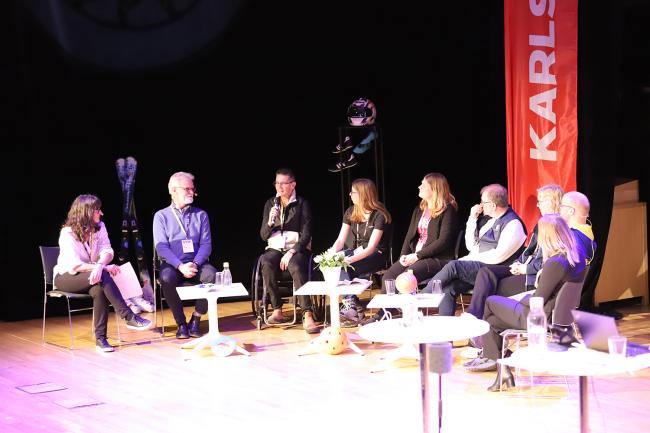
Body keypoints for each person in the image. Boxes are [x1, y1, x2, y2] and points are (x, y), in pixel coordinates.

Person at [463, 213, 587, 391]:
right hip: (557, 316)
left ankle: (497, 362)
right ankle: (502, 371)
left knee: (490, 302)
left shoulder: (555, 262)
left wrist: (521, 299)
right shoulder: (576, 257)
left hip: (538, 318)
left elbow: (538, 299)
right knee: (492, 322)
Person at [53, 194, 152, 353]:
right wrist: (102, 268)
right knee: (103, 276)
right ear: (85, 212)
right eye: (97, 210)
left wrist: (99, 265)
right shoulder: (68, 233)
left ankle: (101, 339)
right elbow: (74, 265)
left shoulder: (100, 227)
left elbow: (108, 251)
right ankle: (128, 316)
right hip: (66, 277)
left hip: (91, 275)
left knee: (99, 289)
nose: (101, 213)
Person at [361, 172, 460, 324]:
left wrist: (418, 255)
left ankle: (410, 318)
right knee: (389, 276)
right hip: (416, 256)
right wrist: (403, 256)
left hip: (437, 258)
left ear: (434, 189)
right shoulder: (419, 209)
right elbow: (409, 236)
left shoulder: (448, 210)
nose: (419, 187)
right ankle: (384, 313)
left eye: (423, 185)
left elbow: (444, 241)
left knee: (406, 279)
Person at [421, 183, 527, 316]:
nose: (481, 205)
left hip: (496, 270)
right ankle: (444, 333)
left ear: (493, 205)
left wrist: (468, 260)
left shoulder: (513, 224)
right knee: (448, 288)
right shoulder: (490, 221)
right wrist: (472, 218)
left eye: (483, 202)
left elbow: (498, 257)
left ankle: (422, 297)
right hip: (479, 267)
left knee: (454, 265)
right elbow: (471, 246)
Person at [465, 184, 564, 319]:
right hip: (523, 267)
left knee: (493, 287)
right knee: (486, 272)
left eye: (540, 202)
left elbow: (550, 263)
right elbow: (529, 251)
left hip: (533, 276)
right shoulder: (541, 223)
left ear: (550, 202)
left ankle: (480, 319)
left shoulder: (557, 226)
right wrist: (517, 264)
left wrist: (526, 269)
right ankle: (474, 316)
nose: (537, 206)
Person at [153, 172, 217, 339]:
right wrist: (180, 266)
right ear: (173, 190)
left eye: (192, 189)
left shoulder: (201, 215)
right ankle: (181, 323)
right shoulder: (161, 216)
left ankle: (196, 318)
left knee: (211, 275)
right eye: (187, 189)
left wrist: (195, 263)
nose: (191, 192)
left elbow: (206, 245)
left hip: (196, 263)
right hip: (173, 264)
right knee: (166, 277)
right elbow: (161, 248)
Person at [259, 168, 319, 334]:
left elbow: (307, 234)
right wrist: (271, 222)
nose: (279, 187)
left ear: (293, 185)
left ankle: (307, 313)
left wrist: (292, 251)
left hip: (297, 248)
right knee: (266, 262)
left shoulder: (302, 203)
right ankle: (277, 309)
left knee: (296, 266)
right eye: (277, 183)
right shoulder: (271, 203)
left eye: (283, 183)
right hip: (275, 247)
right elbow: (263, 236)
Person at [328, 178, 392, 326]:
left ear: (363, 194)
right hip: (357, 252)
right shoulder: (350, 211)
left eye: (353, 192)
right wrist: (331, 255)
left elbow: (371, 247)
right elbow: (340, 241)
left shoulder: (379, 215)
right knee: (336, 264)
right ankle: (353, 306)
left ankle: (352, 308)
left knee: (344, 266)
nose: (350, 194)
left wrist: (349, 260)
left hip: (376, 254)